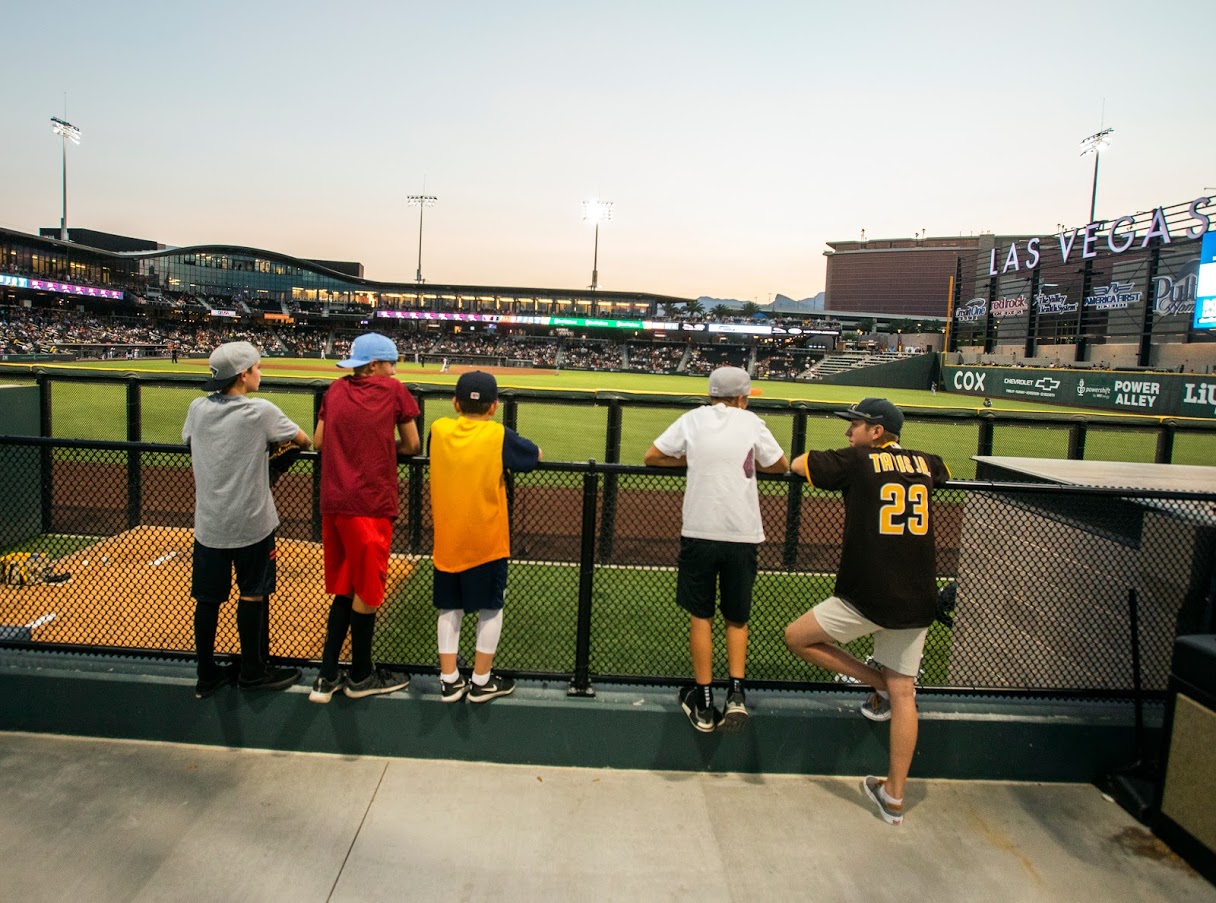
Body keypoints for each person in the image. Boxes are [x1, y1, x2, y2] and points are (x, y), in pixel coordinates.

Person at [783, 398, 951, 826]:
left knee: (797, 637)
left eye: (855, 425)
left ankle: (874, 680)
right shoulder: (927, 462)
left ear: (877, 431)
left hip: (868, 594)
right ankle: (893, 797)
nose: (848, 432)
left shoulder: (857, 460)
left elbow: (801, 463)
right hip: (917, 597)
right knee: (904, 694)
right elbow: (943, 471)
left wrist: (854, 459)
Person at [644, 366, 788, 733]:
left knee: (700, 615)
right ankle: (736, 694)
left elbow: (652, 456)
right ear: (741, 397)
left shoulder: (692, 420)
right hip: (742, 533)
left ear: (711, 394)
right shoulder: (751, 422)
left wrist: (692, 460)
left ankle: (705, 702)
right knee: (737, 617)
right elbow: (779, 465)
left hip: (699, 531)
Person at [183, 341, 311, 699]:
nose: (260, 373)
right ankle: (253, 672)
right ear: (243, 375)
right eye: (256, 368)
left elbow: (190, 443)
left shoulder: (197, 408)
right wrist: (270, 459)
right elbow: (302, 440)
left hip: (209, 524)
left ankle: (206, 674)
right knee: (253, 595)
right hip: (253, 523)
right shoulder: (261, 412)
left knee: (208, 599)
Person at [309, 332, 421, 703]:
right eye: (391, 363)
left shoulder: (336, 390)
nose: (394, 370)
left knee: (345, 587)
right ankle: (360, 676)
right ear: (374, 365)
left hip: (334, 502)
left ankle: (326, 676)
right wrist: (386, 449)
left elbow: (320, 442)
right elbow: (413, 445)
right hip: (370, 503)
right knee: (369, 592)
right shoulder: (393, 391)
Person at [429, 371, 541, 703]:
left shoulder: (439, 429)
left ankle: (449, 680)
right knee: (491, 608)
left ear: (454, 403)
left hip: (447, 541)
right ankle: (481, 681)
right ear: (494, 407)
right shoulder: (498, 434)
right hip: (487, 543)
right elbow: (532, 455)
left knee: (449, 609)